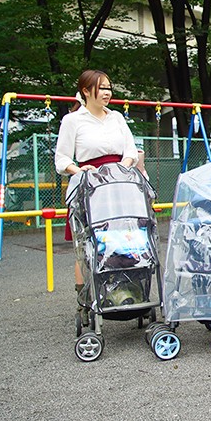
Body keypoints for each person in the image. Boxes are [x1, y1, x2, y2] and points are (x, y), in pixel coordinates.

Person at [55, 69, 139, 301]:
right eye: (101, 88)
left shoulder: (117, 117)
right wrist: (78, 171)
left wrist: (122, 167)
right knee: (87, 241)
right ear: (85, 91)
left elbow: (130, 150)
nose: (107, 92)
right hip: (89, 185)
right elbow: (61, 159)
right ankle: (85, 299)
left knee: (123, 235)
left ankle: (126, 290)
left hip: (119, 182)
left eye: (109, 88)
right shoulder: (72, 120)